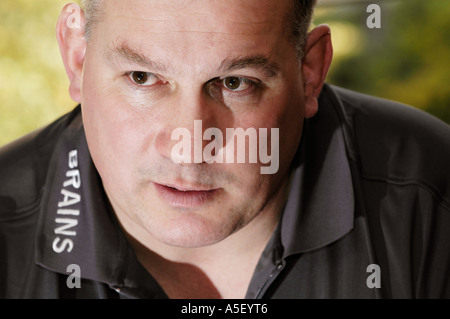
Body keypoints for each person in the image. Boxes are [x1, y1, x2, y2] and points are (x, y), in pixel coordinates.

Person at [0, 0, 449, 299]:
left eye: (235, 83)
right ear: (77, 57)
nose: (189, 147)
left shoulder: (432, 200)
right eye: (142, 77)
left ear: (309, 71)